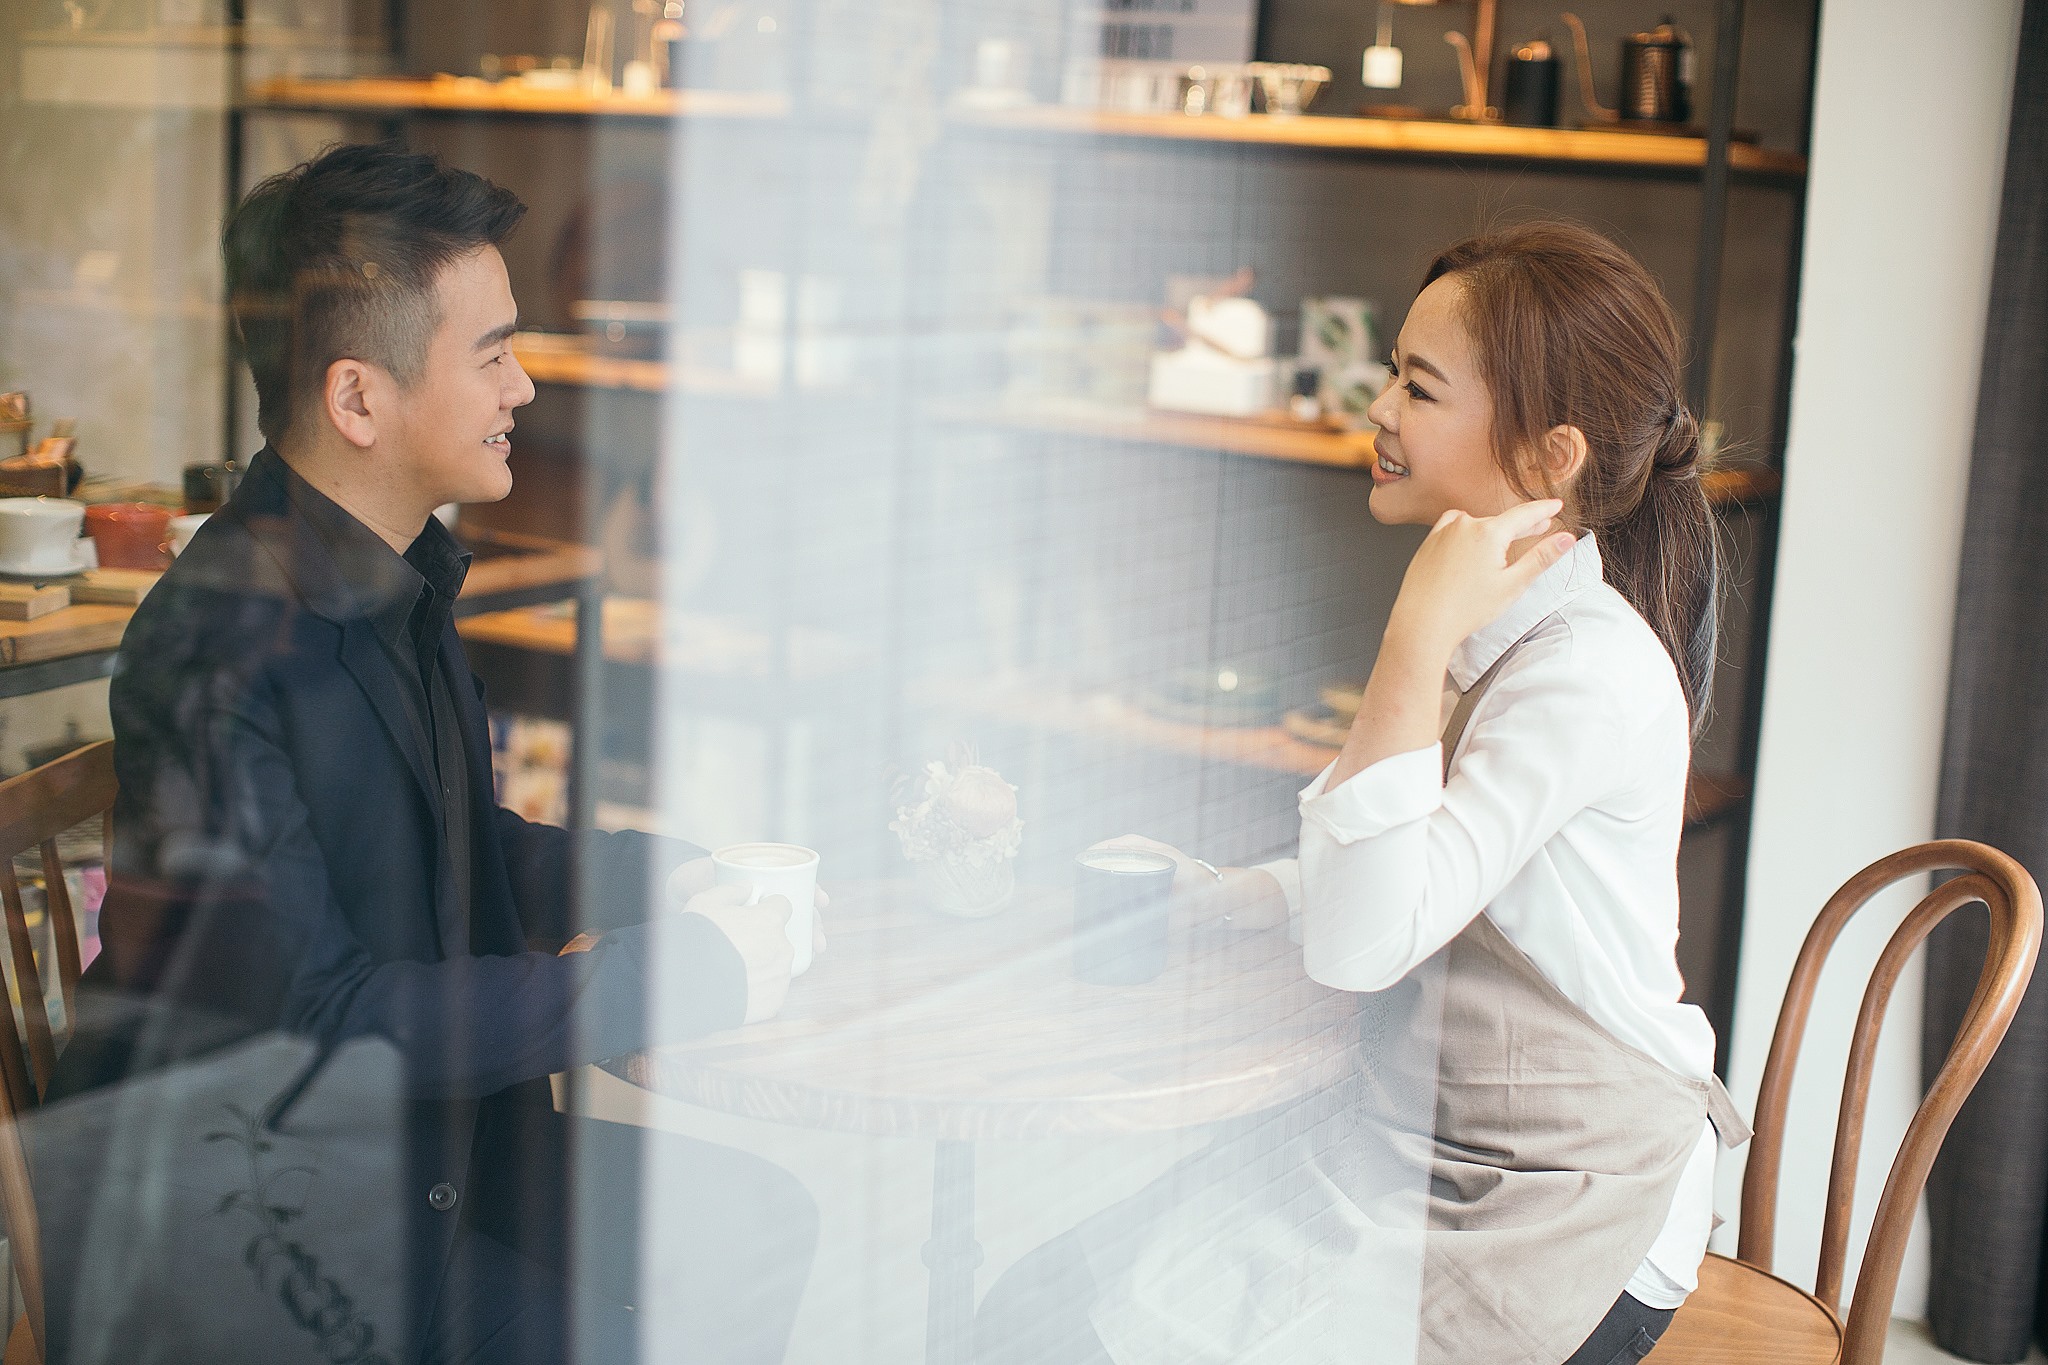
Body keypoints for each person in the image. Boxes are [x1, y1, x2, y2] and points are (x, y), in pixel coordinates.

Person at [30, 143, 816, 1365]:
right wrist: (667, 979)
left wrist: (667, 879)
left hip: (420, 1148)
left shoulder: (391, 577)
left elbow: (463, 842)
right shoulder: (212, 647)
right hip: (252, 1228)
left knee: (758, 1220)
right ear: (358, 399)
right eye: (492, 353)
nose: (526, 390)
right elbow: (320, 1018)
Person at [976, 222, 1747, 1365]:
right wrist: (1256, 894)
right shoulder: (1507, 622)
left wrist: (1413, 630)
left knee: (1068, 1332)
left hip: (1561, 1198)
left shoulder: (1581, 671)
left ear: (1548, 456)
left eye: (1419, 387)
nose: (1380, 406)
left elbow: (1360, 945)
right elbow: (1438, 875)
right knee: (1037, 1308)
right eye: (1392, 370)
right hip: (1418, 1135)